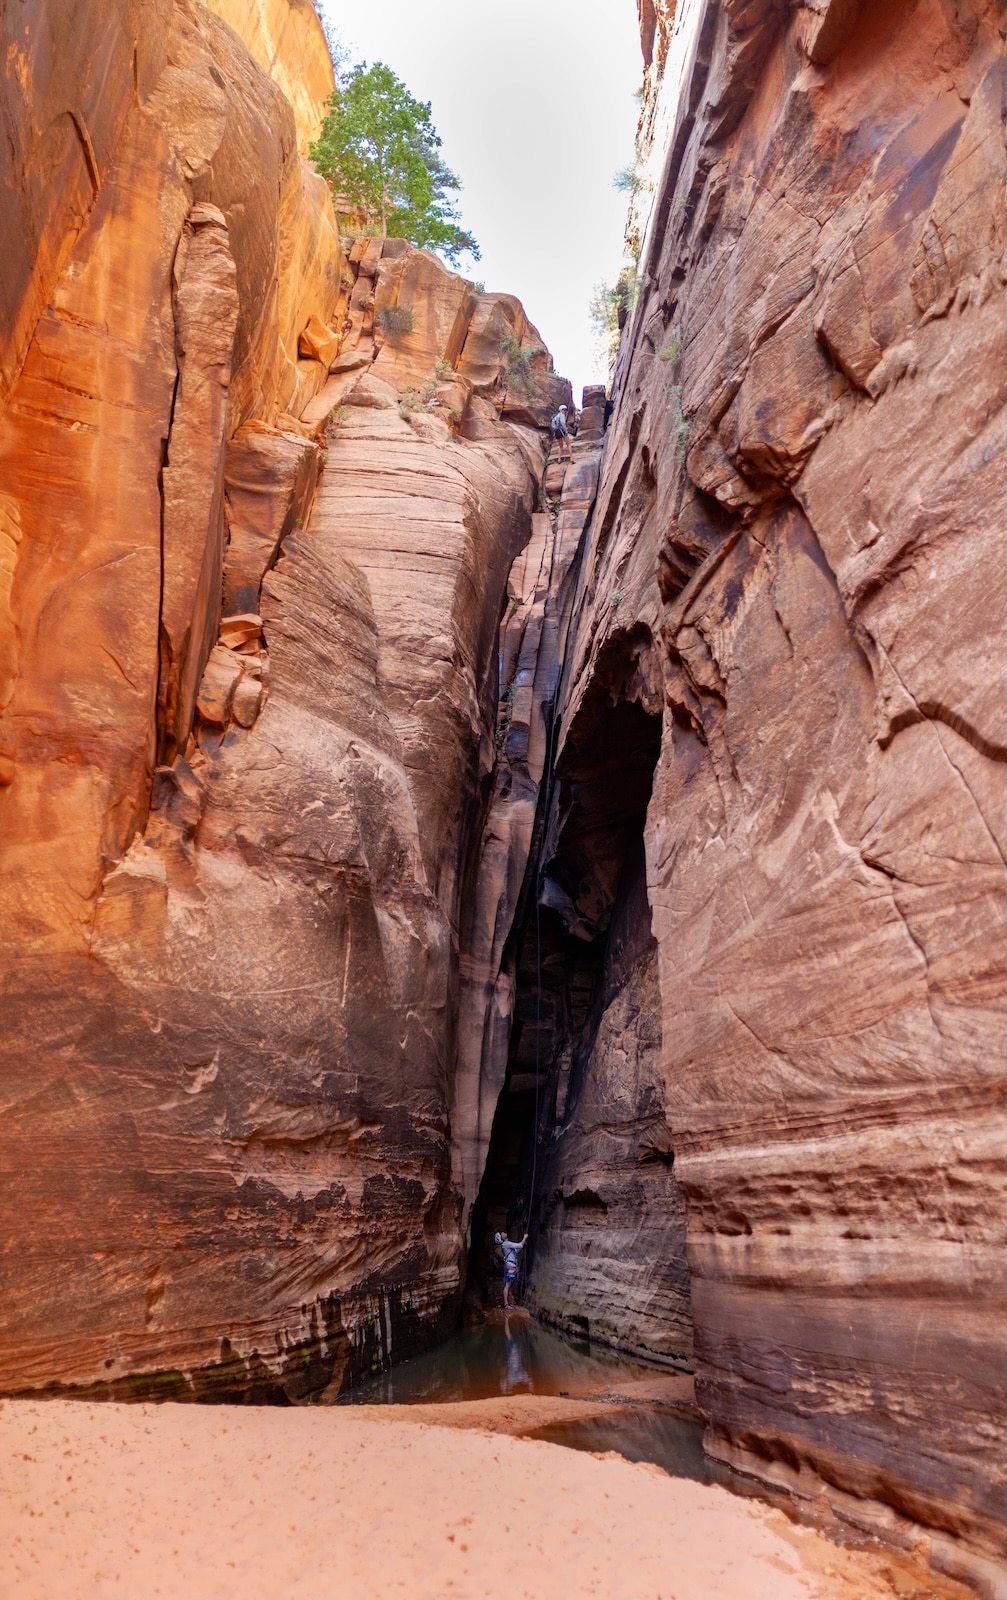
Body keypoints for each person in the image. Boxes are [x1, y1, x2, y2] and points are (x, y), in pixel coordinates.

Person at [494, 1229, 528, 1308]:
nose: (503, 1232)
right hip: (510, 1266)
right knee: (508, 1284)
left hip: (511, 1266)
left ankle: (507, 1302)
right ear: (501, 1238)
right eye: (501, 1233)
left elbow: (516, 1250)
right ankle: (506, 1304)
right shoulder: (506, 1244)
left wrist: (522, 1243)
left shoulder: (507, 1244)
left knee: (509, 1283)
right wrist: (525, 1238)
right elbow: (519, 1245)